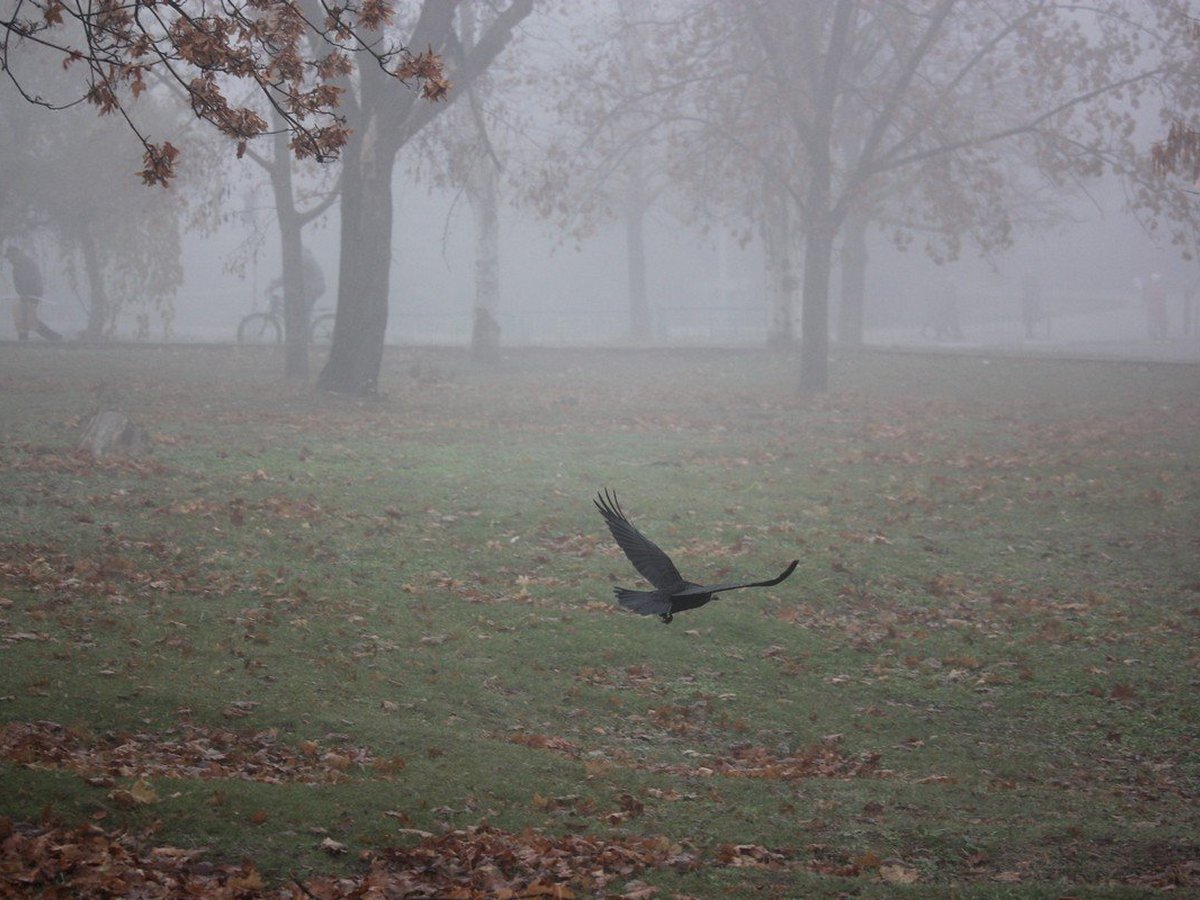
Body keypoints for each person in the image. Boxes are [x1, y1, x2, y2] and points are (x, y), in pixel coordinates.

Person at [5, 246, 62, 341]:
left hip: (31, 295)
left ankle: (53, 337)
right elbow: (20, 283)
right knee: (24, 317)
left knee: (28, 318)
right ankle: (24, 340)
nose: (9, 259)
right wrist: (22, 293)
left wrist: (27, 294)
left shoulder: (25, 264)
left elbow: (30, 280)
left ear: (16, 254)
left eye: (11, 256)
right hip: (26, 295)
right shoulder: (18, 266)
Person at [1143, 272, 1168, 341]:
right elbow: (1162, 296)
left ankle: (1157, 335)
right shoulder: (1158, 287)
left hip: (1155, 307)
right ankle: (1158, 335)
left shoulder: (1151, 287)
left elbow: (1146, 297)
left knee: (1155, 321)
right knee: (1157, 321)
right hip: (1157, 307)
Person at [1020, 273, 1045, 339]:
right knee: (1030, 319)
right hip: (1030, 304)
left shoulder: (1028, 286)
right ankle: (1030, 332)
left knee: (1030, 319)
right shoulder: (1033, 287)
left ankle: (1029, 332)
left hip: (1030, 304)